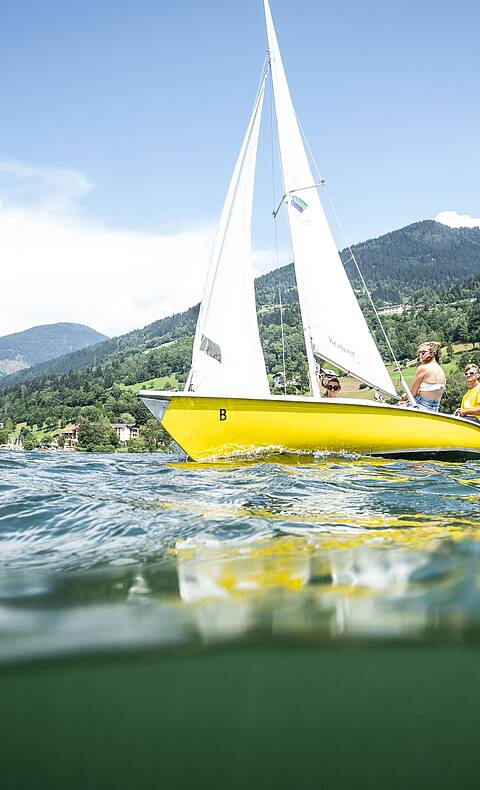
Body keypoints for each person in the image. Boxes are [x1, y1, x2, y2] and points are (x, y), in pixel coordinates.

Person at [400, 341, 446, 412]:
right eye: (419, 353)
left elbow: (412, 394)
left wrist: (404, 396)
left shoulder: (423, 368)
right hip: (435, 410)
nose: (420, 355)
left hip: (420, 406)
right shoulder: (441, 371)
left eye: (423, 352)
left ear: (432, 353)